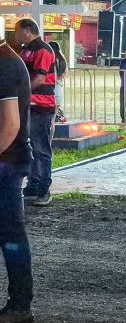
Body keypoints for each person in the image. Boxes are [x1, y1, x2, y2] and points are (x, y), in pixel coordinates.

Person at [0, 38, 34, 323]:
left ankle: (20, 305)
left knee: (11, 235)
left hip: (6, 164)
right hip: (8, 162)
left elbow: (10, 124)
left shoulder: (5, 64)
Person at [14, 19, 56, 207]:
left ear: (27, 30)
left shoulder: (43, 50)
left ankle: (44, 188)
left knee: (40, 148)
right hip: (27, 105)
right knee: (29, 147)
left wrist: (21, 93)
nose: (15, 35)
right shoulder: (26, 50)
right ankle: (33, 184)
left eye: (17, 31)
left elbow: (40, 78)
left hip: (41, 105)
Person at [48, 41, 67, 116]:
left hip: (50, 91)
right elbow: (65, 73)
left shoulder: (50, 59)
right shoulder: (62, 60)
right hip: (59, 89)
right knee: (53, 118)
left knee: (49, 118)